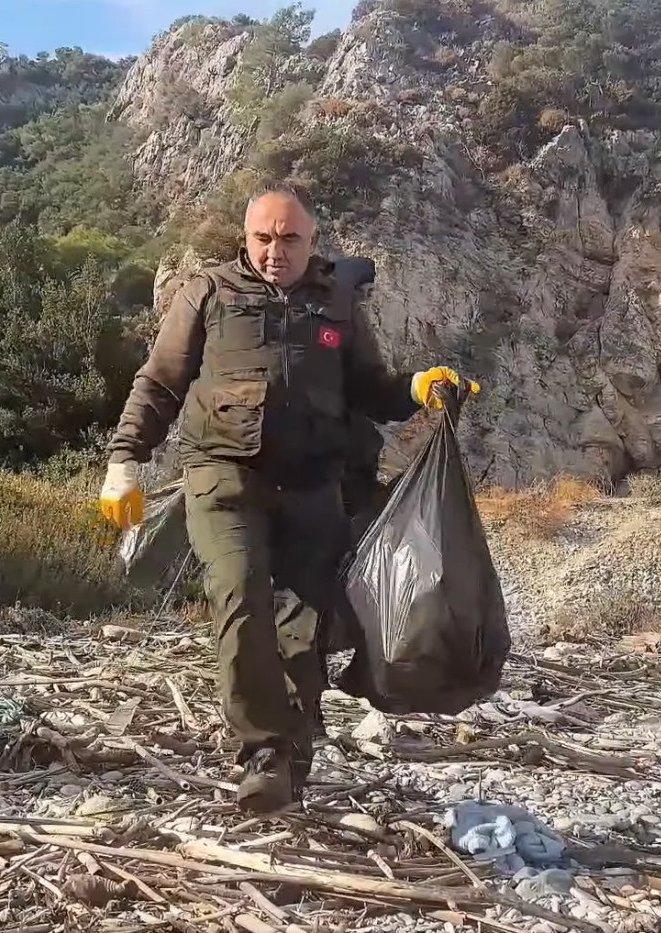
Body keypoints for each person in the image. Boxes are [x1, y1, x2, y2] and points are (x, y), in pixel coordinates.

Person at [98, 184, 478, 813]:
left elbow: (371, 390)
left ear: (312, 241)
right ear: (246, 238)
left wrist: (419, 385)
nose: (275, 251)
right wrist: (124, 460)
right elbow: (161, 382)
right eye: (263, 238)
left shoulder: (339, 304)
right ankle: (263, 750)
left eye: (289, 239)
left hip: (312, 485)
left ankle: (294, 748)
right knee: (239, 597)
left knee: (304, 623)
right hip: (224, 476)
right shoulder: (208, 292)